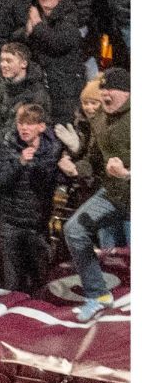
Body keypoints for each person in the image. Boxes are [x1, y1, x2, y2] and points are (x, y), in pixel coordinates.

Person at [64, 68, 131, 321]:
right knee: (74, 229)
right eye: (101, 89)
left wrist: (127, 173)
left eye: (109, 89)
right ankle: (98, 294)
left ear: (126, 92)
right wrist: (76, 168)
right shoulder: (100, 118)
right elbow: (93, 158)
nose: (104, 95)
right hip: (114, 194)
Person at [0, 103, 65, 293]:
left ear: (41, 127)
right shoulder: (7, 146)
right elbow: (0, 182)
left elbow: (51, 180)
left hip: (37, 225)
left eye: (29, 124)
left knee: (40, 280)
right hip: (11, 224)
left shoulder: (53, 149)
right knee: (12, 282)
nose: (24, 128)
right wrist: (20, 163)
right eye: (21, 123)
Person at [15, 0, 82, 126]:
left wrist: (37, 25)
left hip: (65, 86)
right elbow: (20, 40)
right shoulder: (37, 17)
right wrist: (27, 31)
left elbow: (57, 43)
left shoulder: (68, 18)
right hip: (43, 84)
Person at [0, 42, 51, 141]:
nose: (3, 65)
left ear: (24, 64)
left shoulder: (36, 93)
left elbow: (15, 130)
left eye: (8, 61)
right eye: (2, 60)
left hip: (18, 144)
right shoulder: (1, 87)